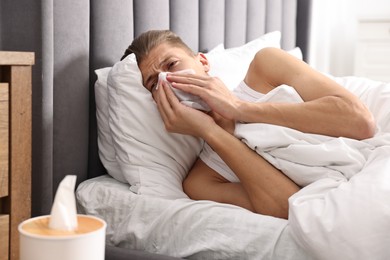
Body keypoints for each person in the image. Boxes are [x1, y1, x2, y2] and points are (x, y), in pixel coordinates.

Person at [121, 30, 375, 219]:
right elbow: (292, 209)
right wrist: (209, 131)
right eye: (154, 84)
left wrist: (239, 108)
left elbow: (361, 123)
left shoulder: (266, 66)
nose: (168, 81)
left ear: (203, 62)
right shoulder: (202, 182)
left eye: (172, 65)